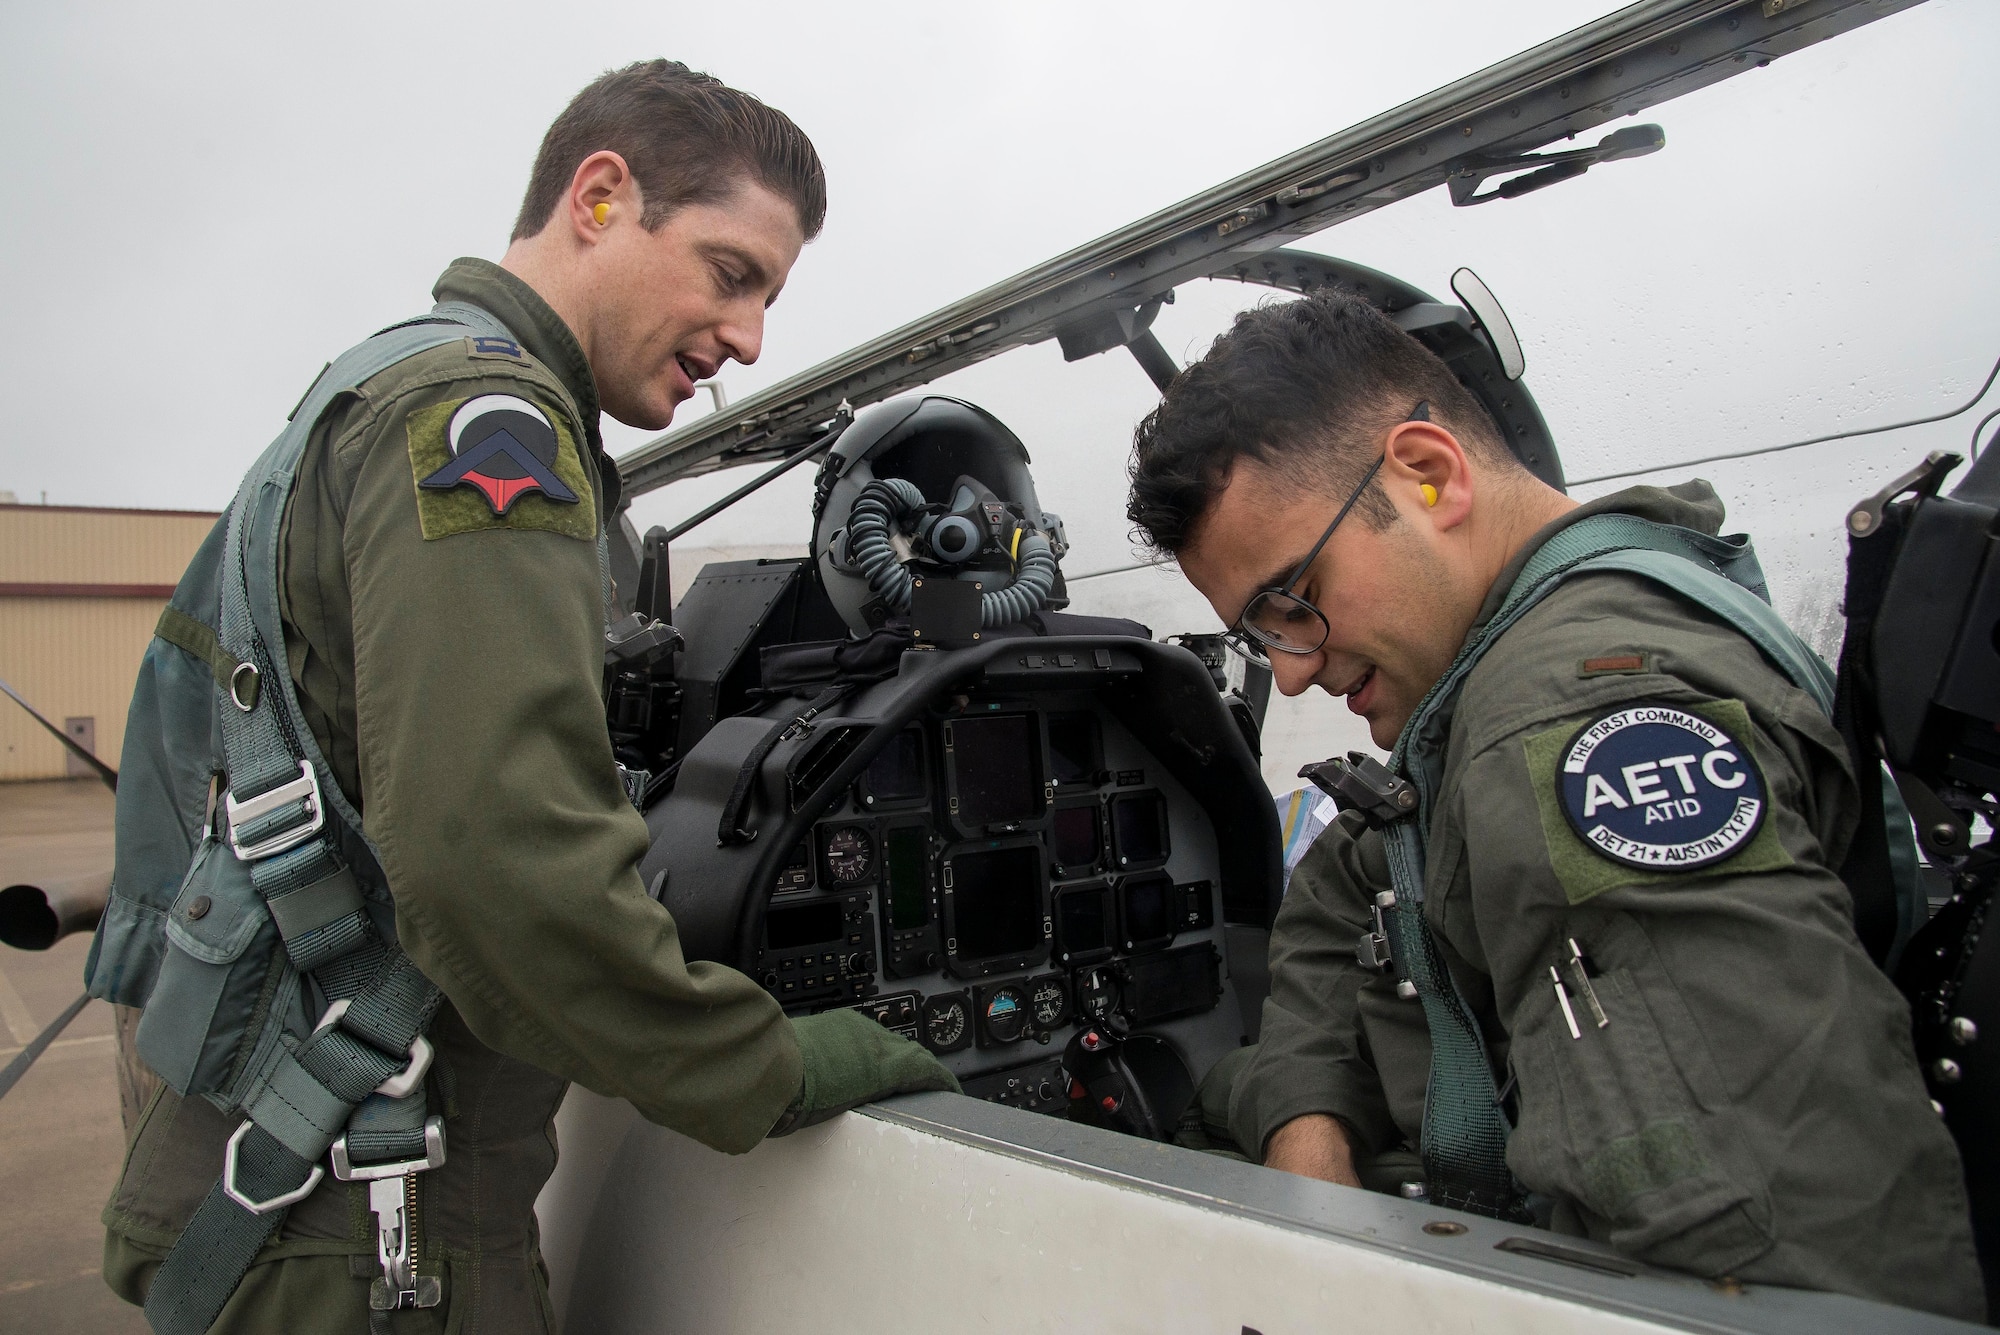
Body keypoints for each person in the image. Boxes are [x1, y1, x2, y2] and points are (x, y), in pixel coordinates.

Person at [95, 60, 955, 1334]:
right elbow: (498, 865)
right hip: (363, 1208)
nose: (750, 340)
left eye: (771, 296)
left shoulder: (388, 383)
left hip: (284, 1157)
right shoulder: (489, 428)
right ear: (600, 197)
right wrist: (776, 1063)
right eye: (731, 273)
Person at [1125, 290, 1983, 1318]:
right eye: (1261, 635)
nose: (1293, 673)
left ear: (1429, 477)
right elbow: (1352, 878)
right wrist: (1305, 1122)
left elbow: (1782, 1261)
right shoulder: (1553, 645)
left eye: (1291, 602)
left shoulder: (1564, 717)